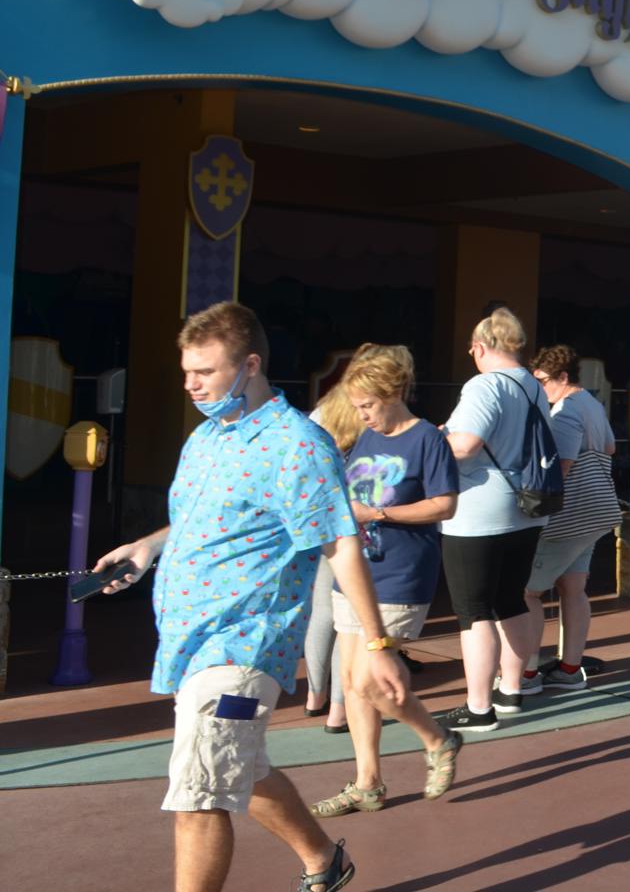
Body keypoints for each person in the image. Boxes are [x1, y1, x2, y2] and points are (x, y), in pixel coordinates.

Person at [91, 301, 406, 892]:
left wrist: (377, 641)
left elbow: (340, 543)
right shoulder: (208, 438)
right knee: (241, 766)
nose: (191, 385)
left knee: (199, 794)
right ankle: (323, 860)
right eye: (187, 372)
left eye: (204, 372)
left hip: (244, 644)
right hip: (189, 640)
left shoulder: (297, 444)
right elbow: (203, 522)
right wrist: (148, 548)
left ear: (250, 365)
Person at [309, 345, 463, 818]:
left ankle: (437, 738)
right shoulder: (364, 437)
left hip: (400, 575)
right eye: (357, 407)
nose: (362, 415)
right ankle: (367, 783)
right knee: (352, 685)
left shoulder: (427, 441)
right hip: (355, 573)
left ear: (393, 394)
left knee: (375, 682)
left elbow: (445, 505)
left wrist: (378, 512)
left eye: (368, 406)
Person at [437, 307, 550, 732]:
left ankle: (479, 707)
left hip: (479, 511)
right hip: (526, 506)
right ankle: (512, 689)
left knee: (473, 611)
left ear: (481, 347)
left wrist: (432, 445)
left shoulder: (484, 385)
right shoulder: (533, 386)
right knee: (511, 599)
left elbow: (465, 445)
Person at [520, 345, 625, 692]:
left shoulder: (564, 411)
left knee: (528, 593)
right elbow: (610, 448)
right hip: (598, 510)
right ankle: (569, 667)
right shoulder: (593, 404)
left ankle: (527, 674)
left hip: (570, 514)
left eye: (543, 382)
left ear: (563, 378)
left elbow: (559, 469)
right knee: (574, 589)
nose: (540, 389)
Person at [302, 383, 363, 734]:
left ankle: (314, 695)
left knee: (321, 610)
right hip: (359, 519)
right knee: (348, 619)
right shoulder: (377, 417)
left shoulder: (322, 414)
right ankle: (338, 711)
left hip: (321, 515)